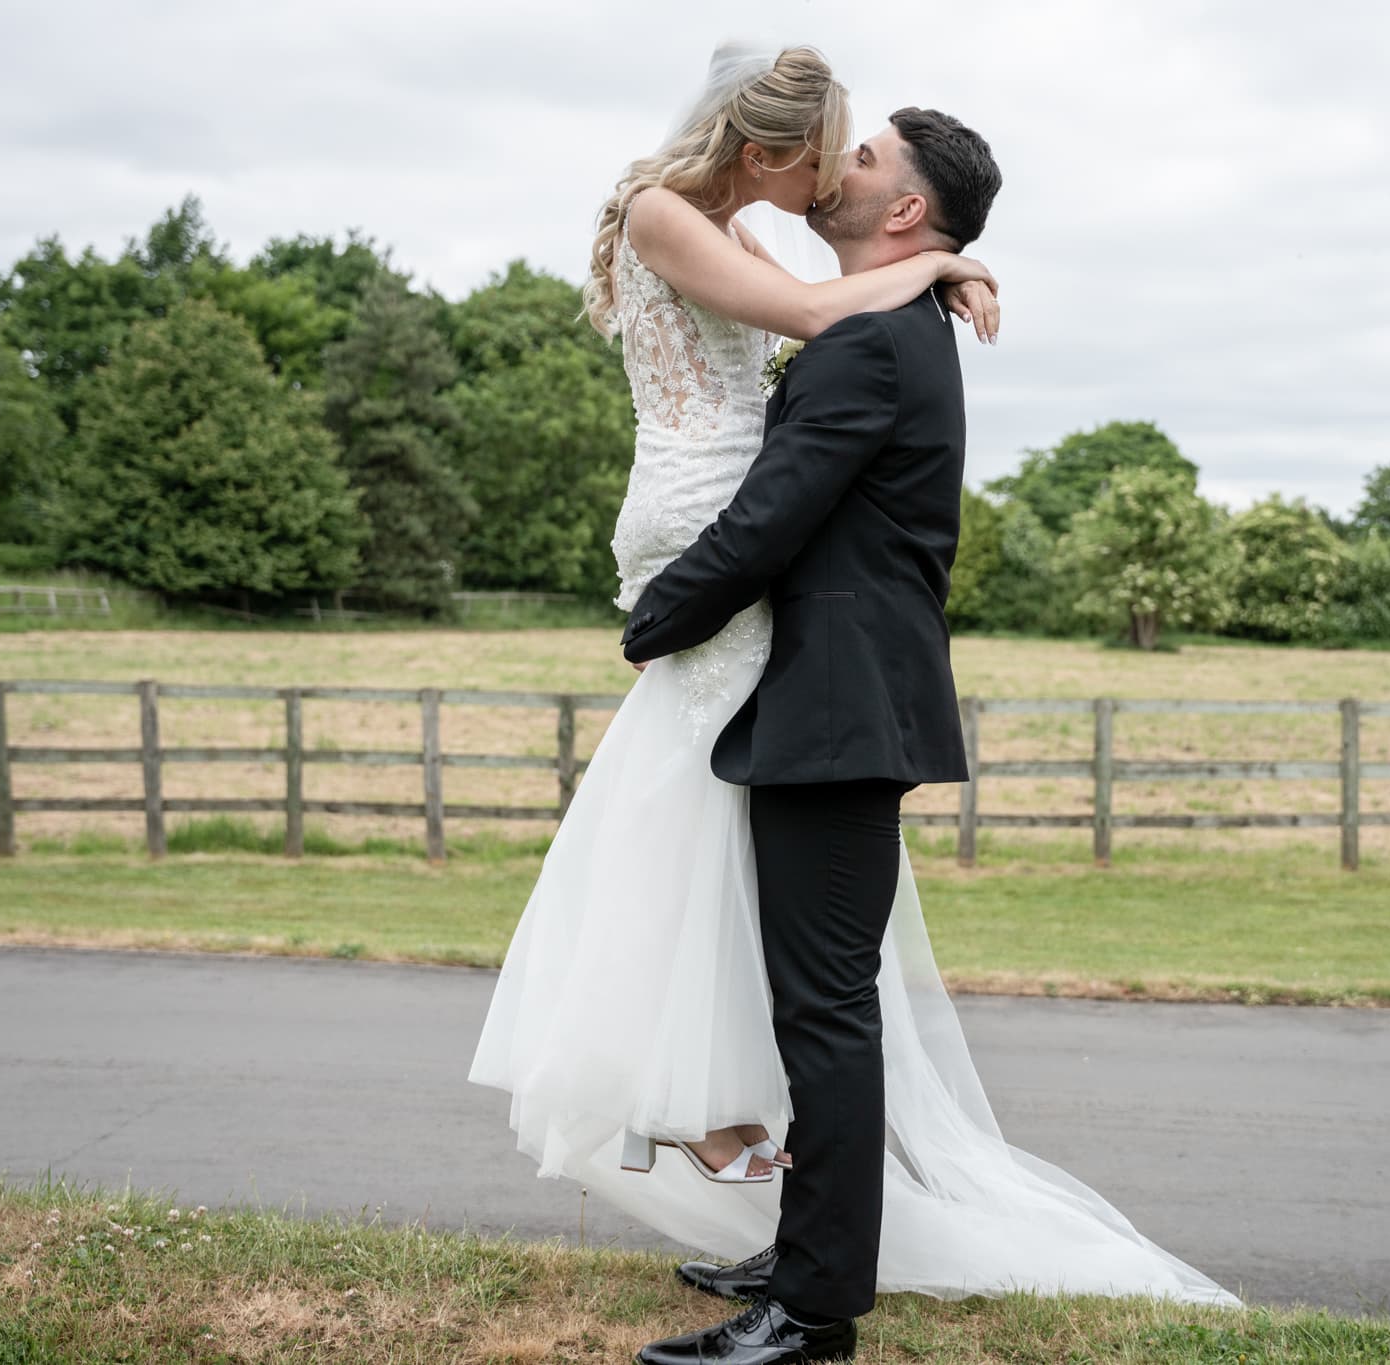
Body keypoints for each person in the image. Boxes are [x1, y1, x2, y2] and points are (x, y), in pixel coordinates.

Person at [467, 42, 1238, 1365]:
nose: (841, 165)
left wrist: (657, 620)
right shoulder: (880, 323)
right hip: (822, 702)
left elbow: (769, 518)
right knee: (809, 998)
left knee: (824, 1007)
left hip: (833, 707)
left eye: (867, 158)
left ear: (904, 215)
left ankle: (816, 1311)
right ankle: (802, 1249)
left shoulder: (870, 348)